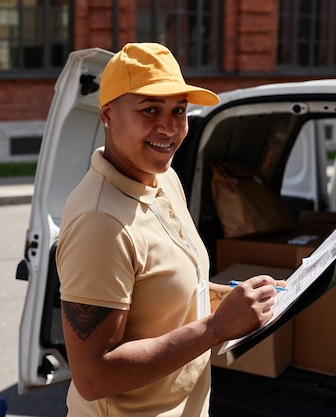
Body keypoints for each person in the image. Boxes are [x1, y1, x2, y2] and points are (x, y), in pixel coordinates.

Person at [56, 42, 283, 417]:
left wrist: (236, 300)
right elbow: (93, 376)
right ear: (108, 115)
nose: (169, 127)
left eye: (179, 110)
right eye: (149, 110)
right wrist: (215, 328)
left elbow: (168, 288)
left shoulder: (164, 179)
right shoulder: (100, 222)